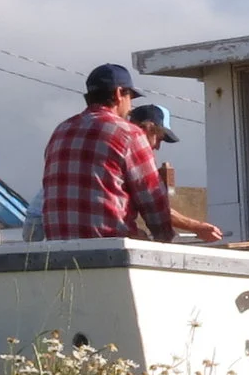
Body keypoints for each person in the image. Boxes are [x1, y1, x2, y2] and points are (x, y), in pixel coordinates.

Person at [41, 63, 176, 244]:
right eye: (131, 96)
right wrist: (164, 239)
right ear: (119, 93)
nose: (131, 106)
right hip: (109, 251)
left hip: (58, 251)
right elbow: (153, 201)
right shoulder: (128, 133)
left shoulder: (61, 131)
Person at [129, 103, 223, 243]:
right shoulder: (136, 155)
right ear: (147, 129)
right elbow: (155, 207)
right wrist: (197, 227)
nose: (158, 147)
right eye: (158, 139)